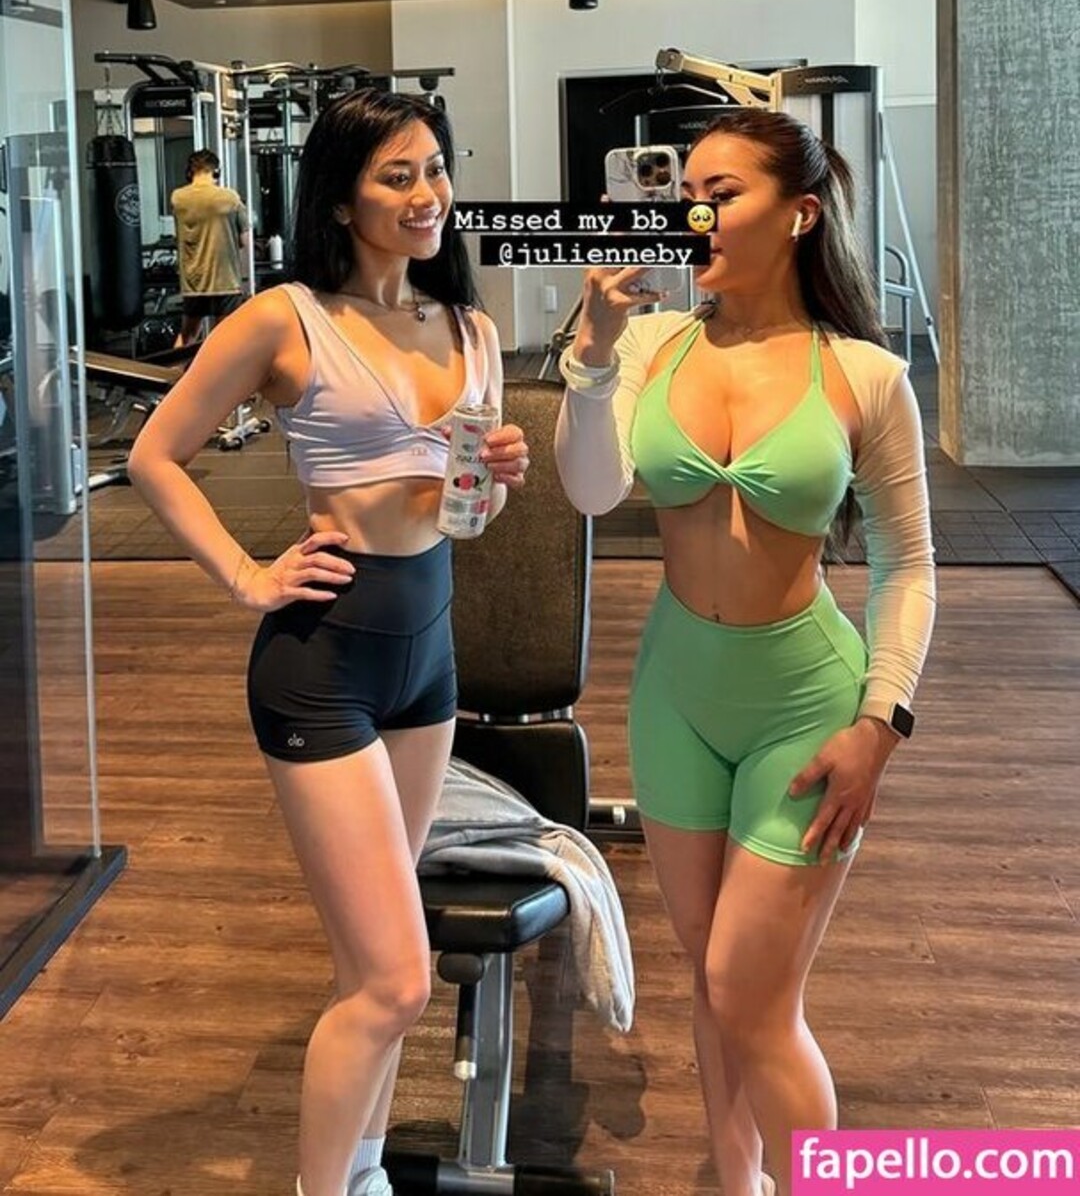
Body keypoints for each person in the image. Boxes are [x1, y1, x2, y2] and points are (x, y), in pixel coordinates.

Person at [129, 90, 530, 1196]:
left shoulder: (470, 328)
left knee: (371, 965)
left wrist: (496, 481)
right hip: (324, 661)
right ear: (343, 197)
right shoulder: (286, 318)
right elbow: (156, 456)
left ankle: (361, 1172)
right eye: (398, 175)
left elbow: (467, 517)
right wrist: (246, 575)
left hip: (427, 655)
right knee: (398, 981)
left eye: (435, 168)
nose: (427, 193)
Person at [554, 108, 936, 1196]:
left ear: (800, 213)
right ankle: (738, 1180)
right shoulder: (650, 345)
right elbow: (592, 491)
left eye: (723, 194)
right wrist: (592, 350)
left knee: (750, 989)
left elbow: (909, 565)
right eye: (688, 193)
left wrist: (882, 723)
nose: (697, 214)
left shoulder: (863, 372)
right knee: (715, 976)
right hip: (676, 693)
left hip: (804, 701)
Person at [170, 148, 251, 346]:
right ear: (216, 172)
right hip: (225, 281)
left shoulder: (178, 198)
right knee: (223, 340)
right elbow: (245, 241)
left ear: (190, 172)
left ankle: (175, 366)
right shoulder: (230, 198)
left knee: (188, 336)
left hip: (194, 282)